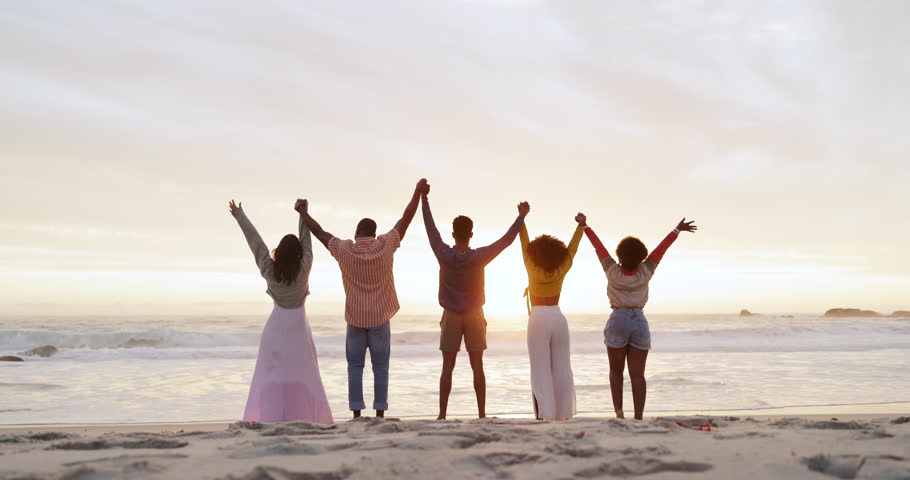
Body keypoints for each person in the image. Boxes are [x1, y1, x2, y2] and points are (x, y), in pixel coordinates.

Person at [301, 179, 427, 418]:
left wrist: (304, 213)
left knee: (355, 368)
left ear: (357, 233)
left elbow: (319, 233)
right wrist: (417, 193)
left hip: (356, 319)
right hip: (380, 317)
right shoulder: (385, 245)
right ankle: (380, 413)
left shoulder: (345, 250)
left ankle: (357, 413)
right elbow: (405, 219)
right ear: (374, 233)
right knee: (381, 367)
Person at [420, 181, 529, 419]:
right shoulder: (479, 256)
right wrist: (521, 217)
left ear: (453, 234)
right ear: (471, 234)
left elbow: (430, 230)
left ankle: (442, 415)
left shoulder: (444, 253)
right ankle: (481, 414)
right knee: (477, 365)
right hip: (474, 315)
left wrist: (424, 199)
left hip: (450, 315)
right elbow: (506, 240)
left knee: (447, 366)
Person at [580, 216, 697, 420]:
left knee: (615, 372)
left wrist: (584, 226)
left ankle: (619, 413)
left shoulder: (611, 271)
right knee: (638, 375)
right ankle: (639, 416)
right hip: (639, 322)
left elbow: (598, 247)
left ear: (619, 255)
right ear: (642, 257)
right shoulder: (646, 270)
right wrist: (677, 230)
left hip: (617, 319)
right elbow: (661, 250)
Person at [229, 198, 333, 424]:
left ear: (280, 251)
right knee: (304, 375)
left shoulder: (269, 269)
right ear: (298, 254)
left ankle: (271, 417)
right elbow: (307, 242)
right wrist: (302, 213)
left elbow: (255, 243)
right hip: (298, 330)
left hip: (275, 329)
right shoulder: (304, 267)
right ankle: (304, 416)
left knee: (272, 376)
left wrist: (240, 215)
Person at [519, 213, 585, 420]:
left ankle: (545, 415)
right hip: (558, 317)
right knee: (562, 369)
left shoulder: (531, 265)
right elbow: (572, 250)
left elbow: (524, 242)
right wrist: (581, 226)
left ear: (534, 254)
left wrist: (522, 218)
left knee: (540, 371)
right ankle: (563, 414)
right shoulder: (562, 266)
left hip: (538, 318)